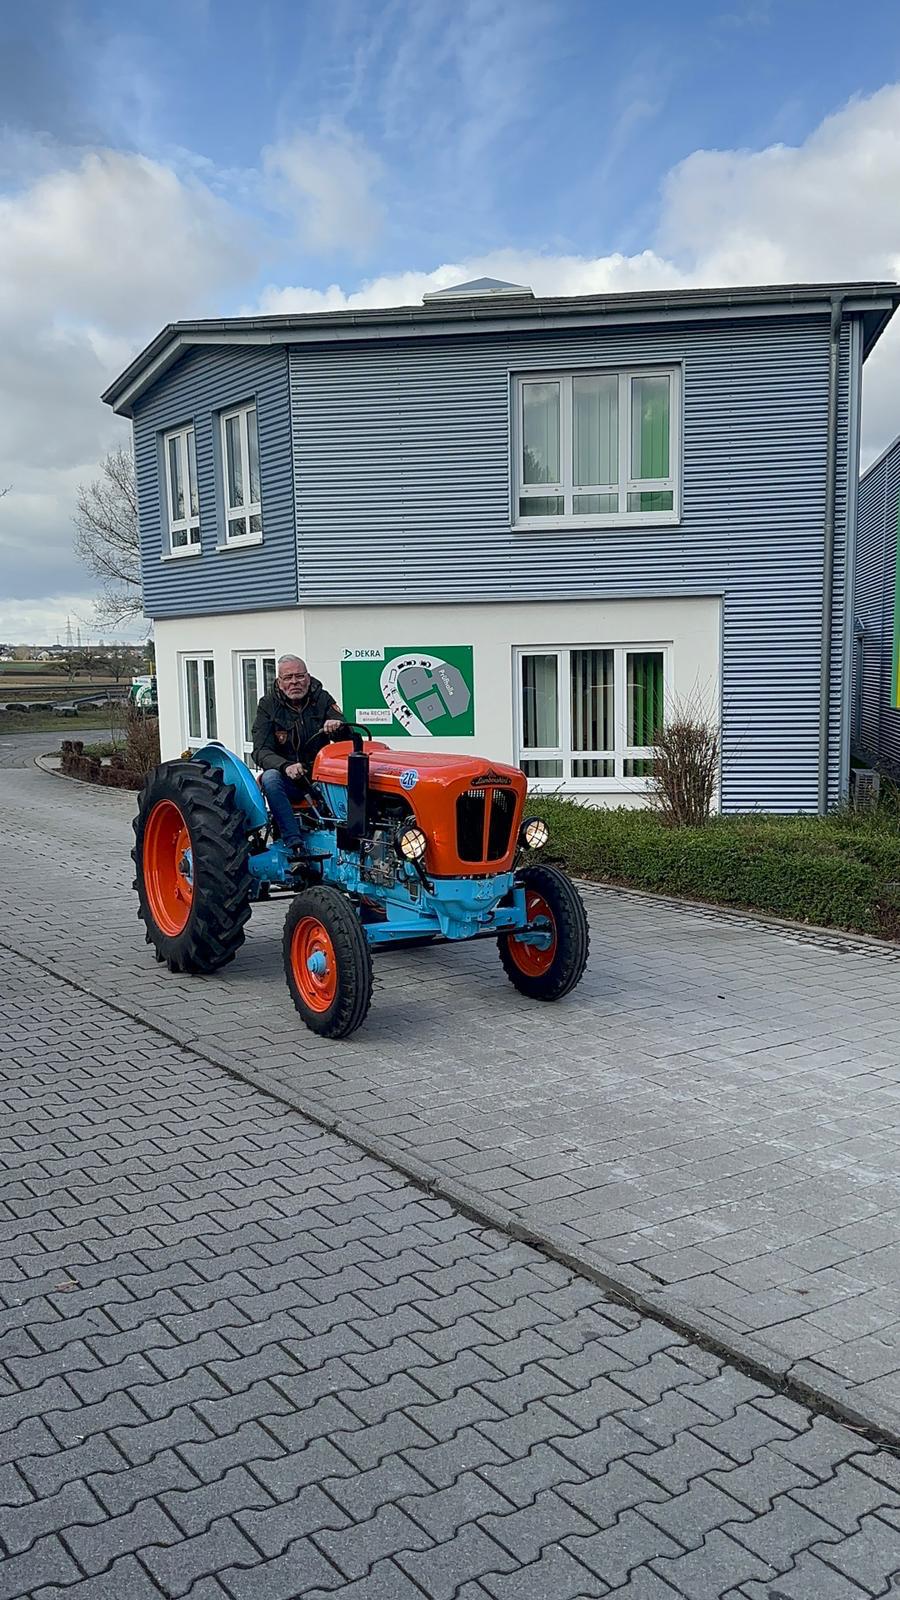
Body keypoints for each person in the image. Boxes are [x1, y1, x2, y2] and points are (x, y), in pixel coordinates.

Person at [251, 655, 344, 850]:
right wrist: (285, 766)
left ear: (308, 678)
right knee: (270, 778)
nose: (294, 682)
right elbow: (260, 751)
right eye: (288, 677)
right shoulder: (268, 705)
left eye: (299, 676)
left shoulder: (322, 698)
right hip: (288, 779)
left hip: (319, 777)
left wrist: (338, 727)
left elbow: (348, 739)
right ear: (279, 682)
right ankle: (294, 843)